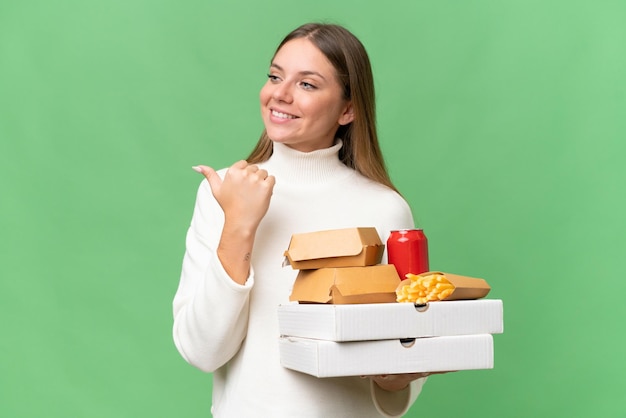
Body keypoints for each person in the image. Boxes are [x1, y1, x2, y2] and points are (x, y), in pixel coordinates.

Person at [173, 22, 435, 417]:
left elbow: (405, 350)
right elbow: (201, 350)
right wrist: (240, 226)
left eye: (307, 84)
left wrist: (398, 376)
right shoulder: (225, 192)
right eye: (275, 76)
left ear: (348, 109)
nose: (279, 93)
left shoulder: (386, 209)